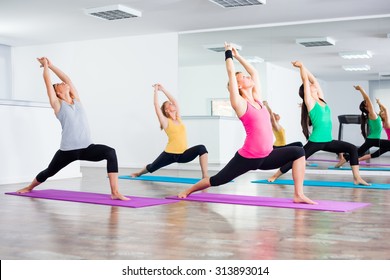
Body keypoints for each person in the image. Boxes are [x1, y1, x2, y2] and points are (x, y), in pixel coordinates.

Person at [178, 43, 316, 204]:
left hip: (267, 155)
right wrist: (228, 53)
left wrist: (238, 56)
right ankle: (188, 190)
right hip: (248, 157)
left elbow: (254, 72)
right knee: (217, 180)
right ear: (238, 86)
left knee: (299, 151)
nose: (247, 77)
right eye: (242, 77)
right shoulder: (240, 103)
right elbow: (230, 72)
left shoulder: (257, 98)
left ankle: (298, 194)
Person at [17, 57, 129, 200]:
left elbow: (67, 78)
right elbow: (47, 82)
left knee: (110, 152)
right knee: (49, 172)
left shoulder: (77, 100)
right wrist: (45, 66)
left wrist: (51, 65)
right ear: (57, 92)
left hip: (87, 147)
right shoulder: (57, 104)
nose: (62, 83)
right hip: (68, 150)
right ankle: (29, 187)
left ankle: (115, 192)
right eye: (58, 84)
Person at [268, 61, 369, 186]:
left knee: (353, 149)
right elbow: (305, 79)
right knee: (298, 158)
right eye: (309, 85)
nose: (312, 84)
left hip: (328, 141)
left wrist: (305, 66)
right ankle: (275, 175)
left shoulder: (321, 99)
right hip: (316, 141)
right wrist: (301, 67)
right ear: (306, 92)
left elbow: (312, 79)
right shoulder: (310, 102)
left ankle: (357, 177)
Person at [131, 83, 209, 178]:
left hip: (183, 154)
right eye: (170, 104)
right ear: (167, 110)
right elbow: (156, 105)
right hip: (170, 154)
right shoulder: (165, 121)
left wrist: (163, 89)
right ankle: (138, 173)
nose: (172, 103)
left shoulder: (178, 118)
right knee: (152, 167)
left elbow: (174, 101)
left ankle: (205, 176)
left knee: (202, 148)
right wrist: (155, 91)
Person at [336, 86, 390, 164]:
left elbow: (383, 110)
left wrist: (379, 103)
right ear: (366, 107)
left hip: (371, 140)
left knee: (358, 152)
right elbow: (367, 98)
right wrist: (361, 89)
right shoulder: (372, 114)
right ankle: (342, 159)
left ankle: (340, 163)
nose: (369, 103)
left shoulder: (375, 115)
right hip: (374, 140)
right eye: (367, 103)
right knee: (359, 152)